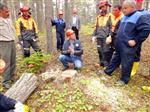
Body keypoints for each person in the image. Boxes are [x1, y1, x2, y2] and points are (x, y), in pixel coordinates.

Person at [99, 0, 150, 85]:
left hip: (128, 46)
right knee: (115, 59)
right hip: (119, 44)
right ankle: (108, 71)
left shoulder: (139, 16)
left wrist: (135, 40)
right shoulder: (124, 17)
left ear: (133, 7)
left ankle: (124, 79)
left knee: (127, 62)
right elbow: (117, 29)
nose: (123, 10)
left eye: (125, 8)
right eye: (123, 8)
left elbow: (146, 30)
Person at [131, 0, 150, 76]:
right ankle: (127, 67)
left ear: (140, 2)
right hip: (129, 36)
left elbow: (147, 29)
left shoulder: (146, 14)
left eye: (137, 2)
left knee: (136, 52)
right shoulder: (131, 13)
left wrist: (139, 39)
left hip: (138, 38)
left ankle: (133, 70)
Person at [92, 0, 113, 67]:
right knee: (99, 50)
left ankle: (106, 64)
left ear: (106, 7)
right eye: (101, 7)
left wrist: (110, 35)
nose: (102, 9)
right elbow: (96, 26)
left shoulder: (109, 16)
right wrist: (94, 35)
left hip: (106, 37)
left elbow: (111, 26)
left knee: (106, 50)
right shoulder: (98, 17)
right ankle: (101, 62)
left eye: (103, 7)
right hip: (99, 37)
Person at [0, 3, 16, 89]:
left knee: (13, 60)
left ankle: (12, 77)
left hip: (11, 41)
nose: (8, 13)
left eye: (8, 11)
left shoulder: (9, 20)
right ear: (0, 11)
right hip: (3, 43)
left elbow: (12, 30)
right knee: (6, 62)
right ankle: (5, 81)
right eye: (6, 11)